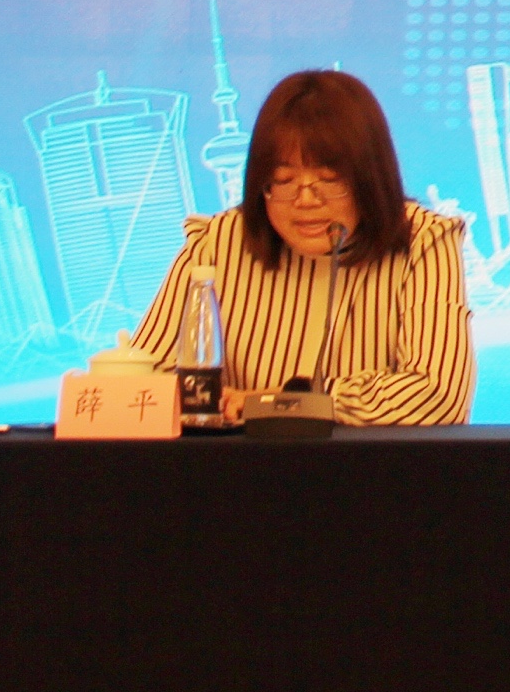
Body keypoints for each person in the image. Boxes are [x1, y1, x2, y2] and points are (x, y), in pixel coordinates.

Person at [126, 66, 474, 425]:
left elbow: (438, 396)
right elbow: (142, 384)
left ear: (370, 179)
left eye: (329, 179)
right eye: (283, 180)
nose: (306, 200)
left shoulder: (423, 240)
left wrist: (282, 402)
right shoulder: (216, 243)